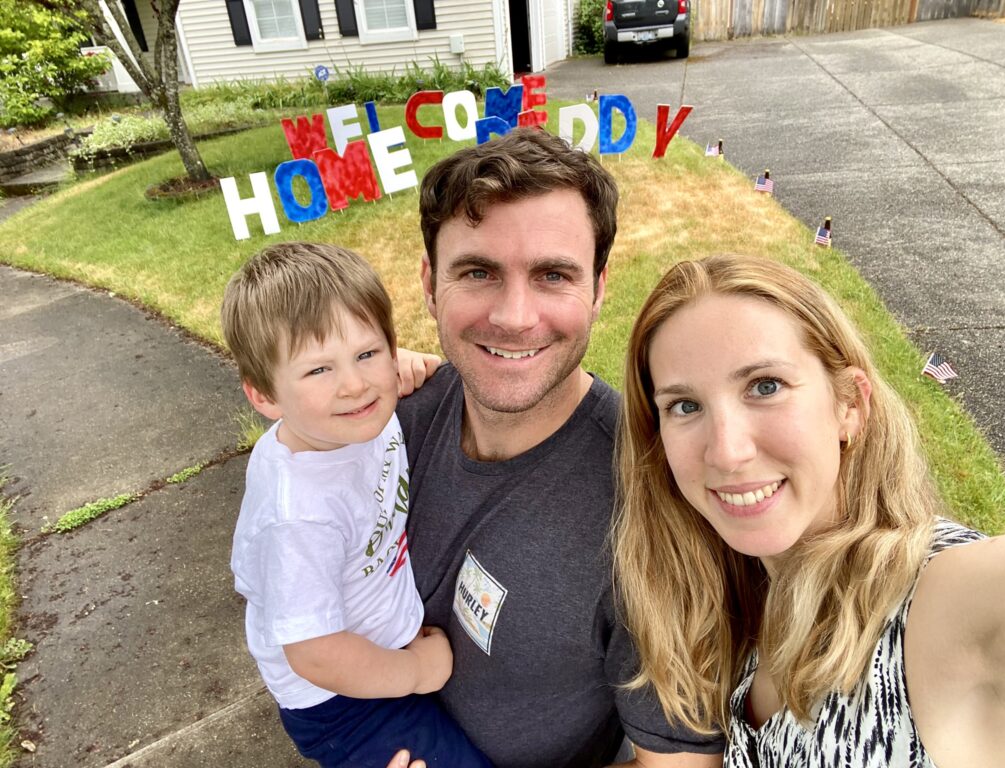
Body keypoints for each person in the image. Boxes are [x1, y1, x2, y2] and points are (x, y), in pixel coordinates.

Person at [391, 128, 724, 768]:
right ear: (430, 283)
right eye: (479, 271)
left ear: (598, 289)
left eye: (552, 275)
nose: (515, 317)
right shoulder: (392, 422)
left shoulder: (653, 506)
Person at [615, 253, 1005, 766]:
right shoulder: (741, 609)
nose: (726, 451)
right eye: (685, 406)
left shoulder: (938, 602)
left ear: (850, 404)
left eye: (765, 386)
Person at [220, 242, 491, 768]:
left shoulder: (350, 418)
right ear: (265, 397)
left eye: (367, 354)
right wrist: (413, 671)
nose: (354, 384)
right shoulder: (299, 516)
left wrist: (403, 365)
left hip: (384, 650)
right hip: (343, 703)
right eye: (318, 371)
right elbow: (315, 652)